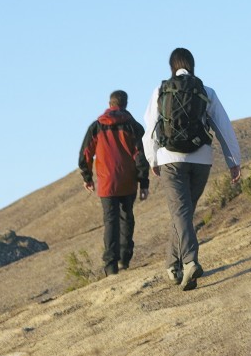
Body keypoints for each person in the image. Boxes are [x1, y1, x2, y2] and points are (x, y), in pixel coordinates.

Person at [143, 48, 242, 291]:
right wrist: (234, 161)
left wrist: (152, 159)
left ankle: (189, 261)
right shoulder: (206, 91)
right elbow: (223, 127)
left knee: (181, 212)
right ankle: (172, 265)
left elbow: (150, 128)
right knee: (183, 213)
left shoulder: (161, 90)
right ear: (193, 65)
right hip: (201, 160)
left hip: (170, 159)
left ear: (172, 67)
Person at [79, 90, 150, 276]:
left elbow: (85, 154)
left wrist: (87, 177)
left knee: (111, 222)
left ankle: (111, 266)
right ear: (125, 104)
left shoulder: (97, 127)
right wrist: (144, 183)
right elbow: (141, 156)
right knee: (127, 218)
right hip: (128, 181)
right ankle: (124, 260)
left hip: (106, 182)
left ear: (110, 104)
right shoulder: (133, 127)